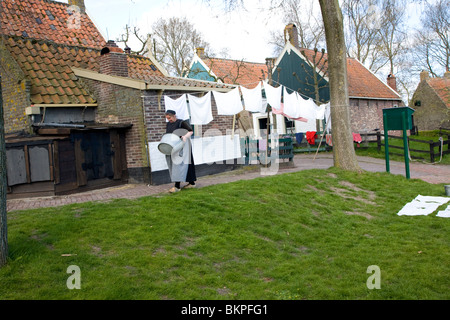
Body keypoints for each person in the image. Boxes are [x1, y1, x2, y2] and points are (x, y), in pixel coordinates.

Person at [164, 110, 197, 193]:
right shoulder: (168, 124)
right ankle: (191, 183)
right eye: (167, 118)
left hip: (183, 146)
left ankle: (178, 186)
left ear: (174, 115)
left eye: (170, 118)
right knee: (176, 165)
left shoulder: (181, 123)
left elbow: (190, 131)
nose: (169, 120)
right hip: (174, 146)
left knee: (185, 164)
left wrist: (185, 136)